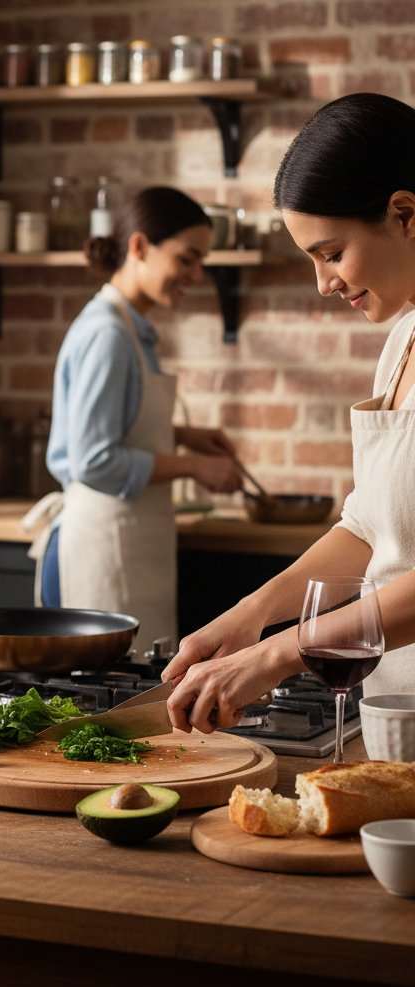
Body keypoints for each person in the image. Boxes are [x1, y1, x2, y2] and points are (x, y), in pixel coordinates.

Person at [164, 92, 415, 734]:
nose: (323, 283)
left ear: (405, 214)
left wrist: (278, 653)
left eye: (331, 253)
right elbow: (369, 529)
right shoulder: (401, 344)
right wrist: (252, 613)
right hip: (395, 707)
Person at [31, 186, 242, 649]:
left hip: (123, 546)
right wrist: (194, 466)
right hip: (99, 551)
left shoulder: (130, 329)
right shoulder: (108, 334)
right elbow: (94, 460)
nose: (196, 275)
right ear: (140, 246)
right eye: (186, 259)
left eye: (201, 262)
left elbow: (118, 427)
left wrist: (183, 436)